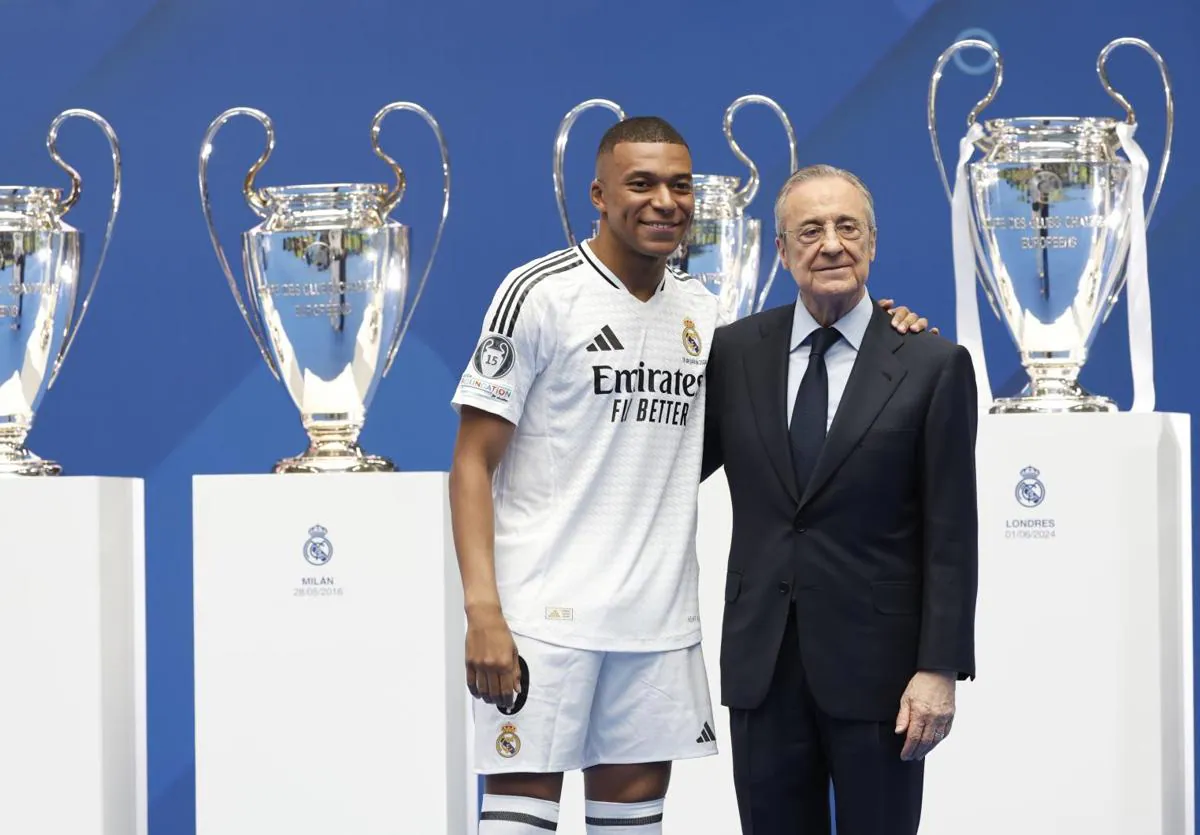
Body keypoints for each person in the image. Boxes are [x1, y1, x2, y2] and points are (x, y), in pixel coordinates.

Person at [449, 120, 931, 834]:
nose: (665, 201)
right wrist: (483, 612)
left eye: (679, 184)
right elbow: (471, 462)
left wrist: (882, 331)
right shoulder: (540, 294)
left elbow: (790, 380)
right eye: (641, 183)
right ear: (599, 194)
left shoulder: (707, 317)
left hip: (656, 624)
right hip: (541, 620)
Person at [701, 163, 979, 835]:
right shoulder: (734, 353)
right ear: (781, 250)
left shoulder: (931, 364)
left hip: (882, 676)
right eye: (811, 229)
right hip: (762, 669)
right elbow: (666, 467)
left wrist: (938, 667)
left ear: (873, 242)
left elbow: (951, 533)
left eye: (847, 226)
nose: (831, 243)